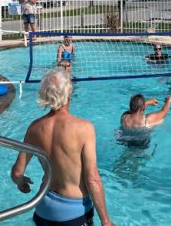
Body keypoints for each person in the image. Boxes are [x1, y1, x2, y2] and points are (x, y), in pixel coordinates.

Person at [11, 68, 115, 226]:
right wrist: (106, 221)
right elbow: (92, 179)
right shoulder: (84, 128)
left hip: (43, 206)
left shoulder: (35, 128)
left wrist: (22, 183)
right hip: (74, 213)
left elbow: (17, 173)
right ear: (69, 93)